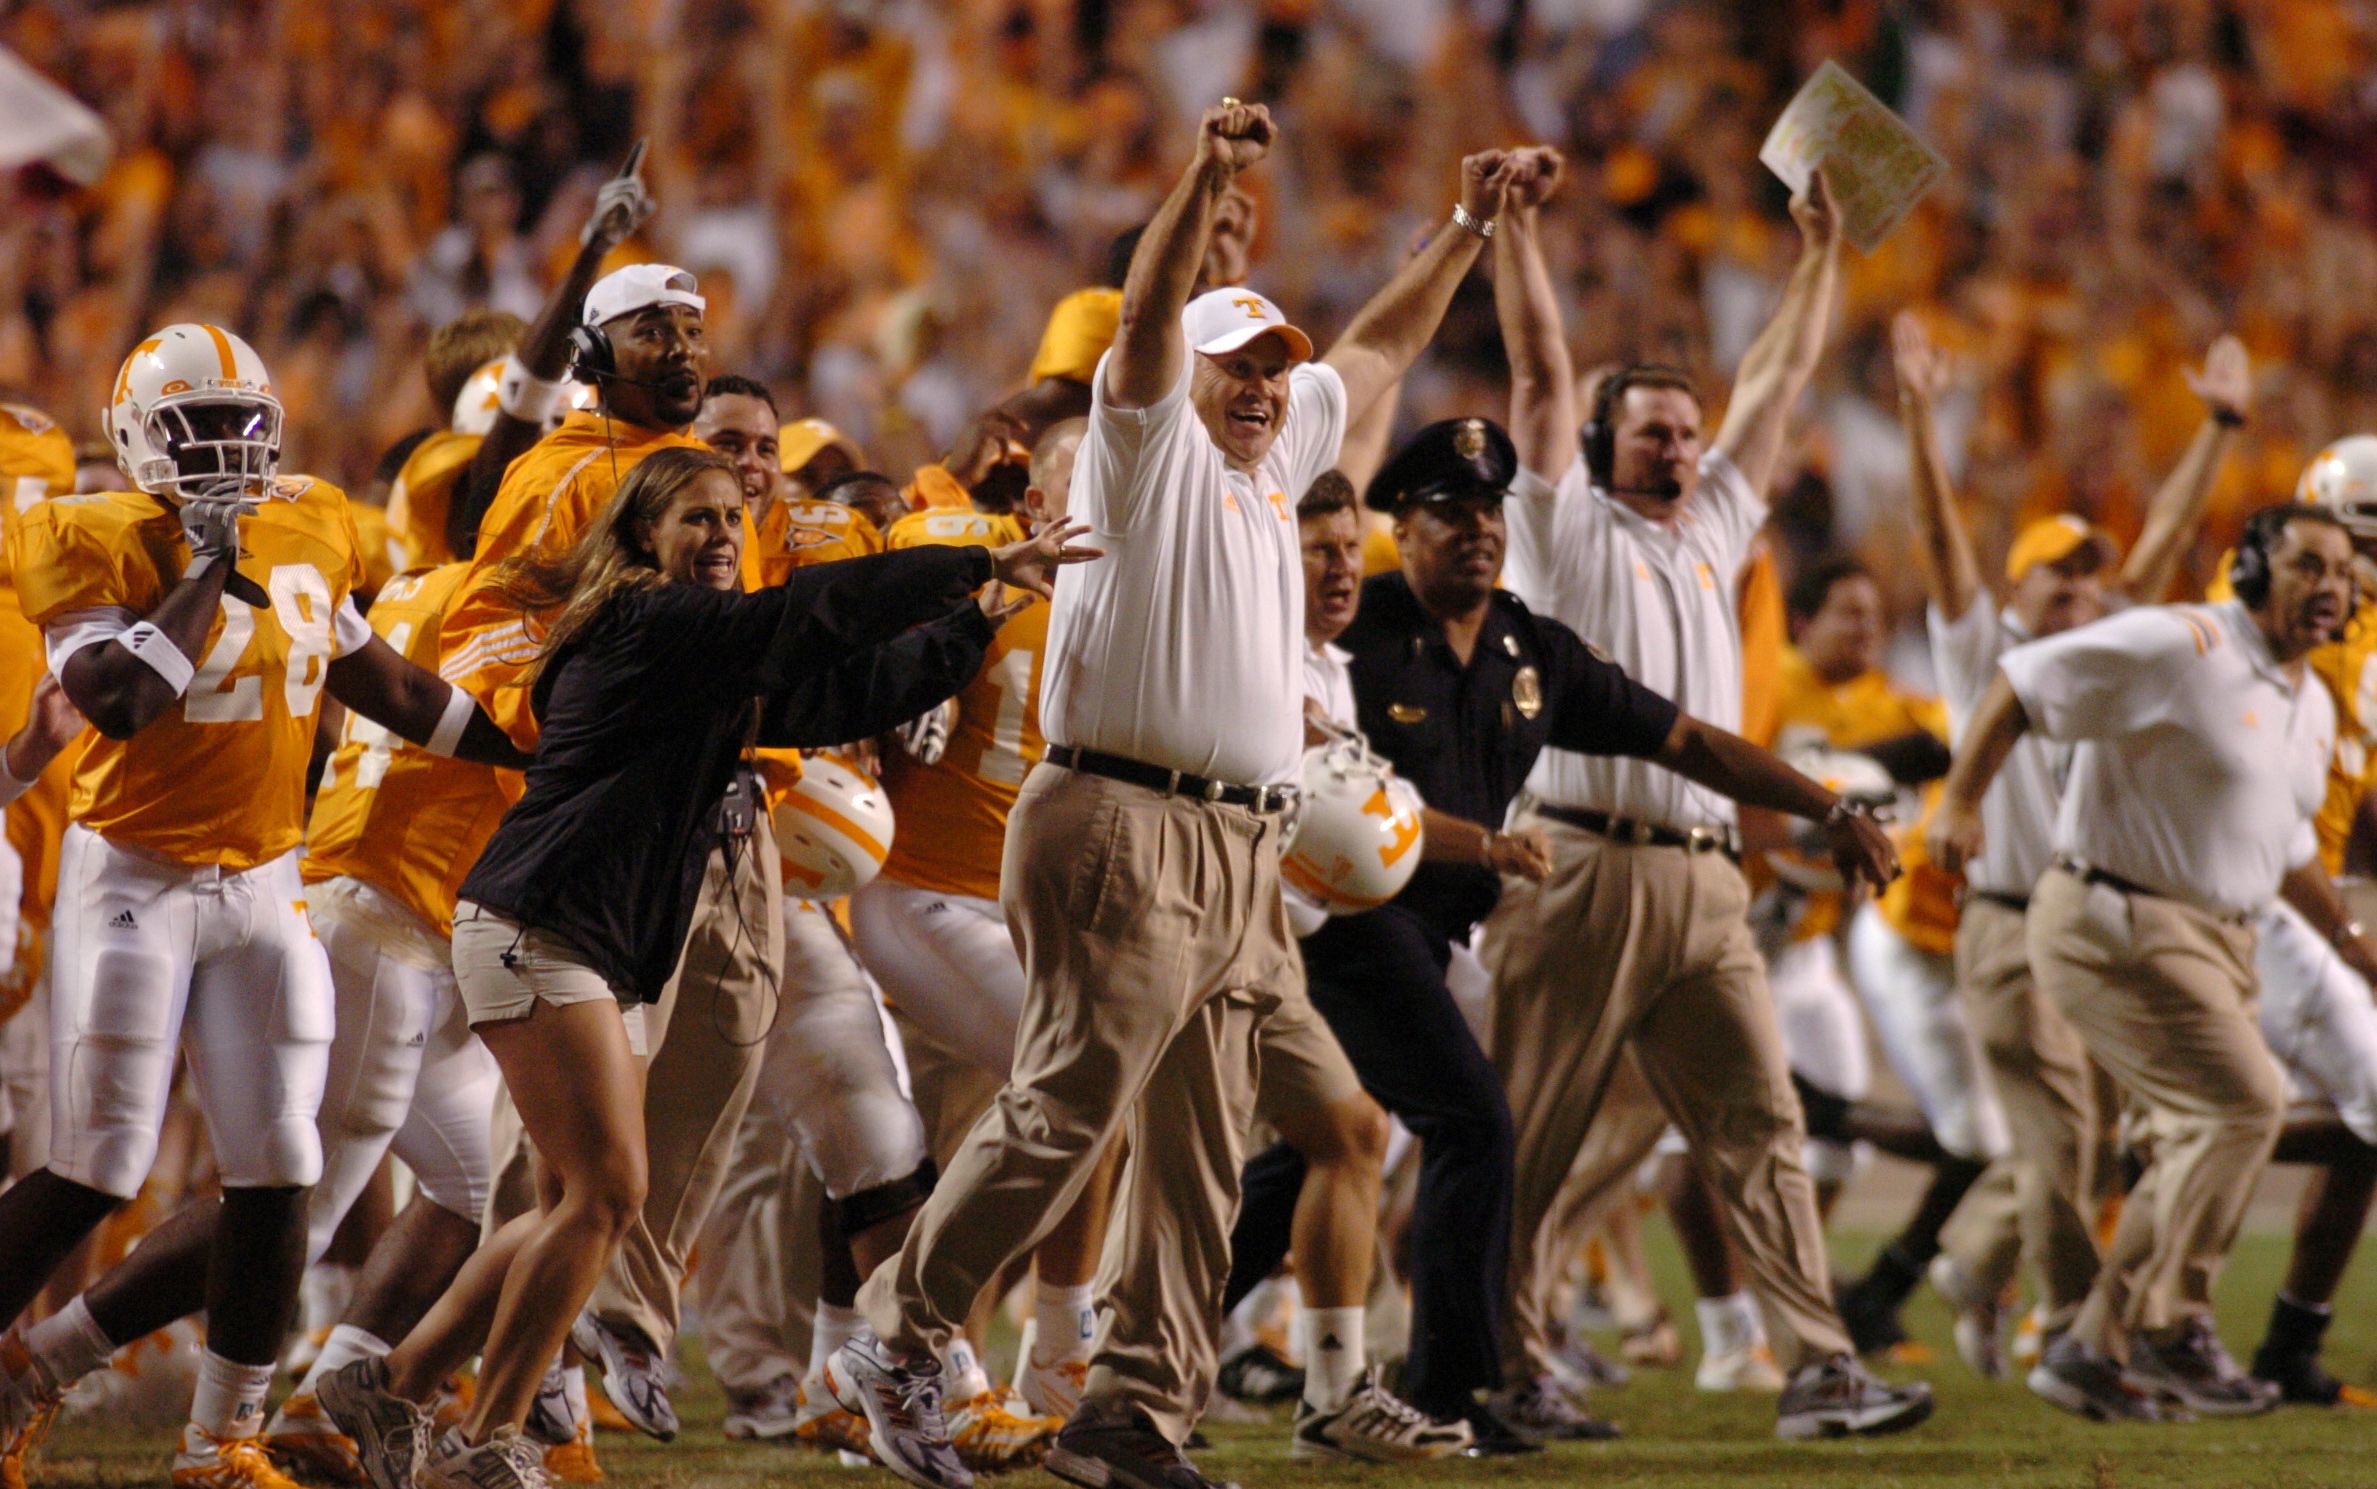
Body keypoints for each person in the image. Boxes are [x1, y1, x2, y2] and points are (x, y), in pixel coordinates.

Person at [831, 102, 1524, 1489]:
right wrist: (1207, 173)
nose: (1263, 383)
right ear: (1178, 373)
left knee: (1204, 1146)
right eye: (1237, 364)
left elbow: (1381, 341)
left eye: (1274, 362)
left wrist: (1464, 231)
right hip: (1121, 819)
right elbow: (1149, 314)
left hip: (1241, 843)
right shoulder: (1141, 441)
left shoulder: (1275, 457)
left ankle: (1130, 1416)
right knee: (1065, 1112)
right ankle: (896, 1331)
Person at [316, 446, 1089, 1489]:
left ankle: (394, 1390)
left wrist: (979, 624)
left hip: (569, 933)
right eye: (698, 520)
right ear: (644, 538)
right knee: (607, 1194)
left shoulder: (697, 647)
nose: (725, 536)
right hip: (542, 927)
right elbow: (814, 612)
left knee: (563, 1205)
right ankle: (488, 1440)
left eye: (733, 519)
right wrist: (982, 560)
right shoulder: (648, 619)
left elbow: (837, 698)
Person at [0, 324, 525, 1489]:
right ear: (138, 438)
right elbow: (125, 699)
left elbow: (378, 679)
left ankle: (219, 1440)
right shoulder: (89, 534)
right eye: (197, 432)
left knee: (280, 1168)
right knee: (99, 1160)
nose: (226, 454)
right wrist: (206, 567)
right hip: (134, 872)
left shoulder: (310, 518)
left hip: (268, 875)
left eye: (243, 427)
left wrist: (533, 746)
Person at [1488, 149, 1931, 1438]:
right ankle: (1505, 1363)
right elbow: (1535, 372)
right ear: (1604, 446)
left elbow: (1783, 380)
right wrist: (1514, 231)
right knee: (1532, 1137)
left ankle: (1818, 1365)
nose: (1682, 446)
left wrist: (1817, 257)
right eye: (1654, 431)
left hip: (1701, 873)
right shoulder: (1563, 529)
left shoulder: (1711, 530)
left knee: (1760, 1121)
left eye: (1688, 430)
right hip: (1577, 860)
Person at [439, 261, 778, 1443]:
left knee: (687, 1119)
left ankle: (497, 1374)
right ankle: (507, 1403)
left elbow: (754, 648)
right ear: (595, 349)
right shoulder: (559, 474)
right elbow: (478, 628)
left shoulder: (708, 484)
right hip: (599, 841)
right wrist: (562, 739)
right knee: (565, 1166)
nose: (682, 347)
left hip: (719, 826)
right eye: (650, 329)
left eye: (692, 325)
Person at [1932, 502, 2363, 1420]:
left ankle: (2091, 1346)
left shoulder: (2312, 698)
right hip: (2115, 913)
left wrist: (2353, 946)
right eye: (2306, 565)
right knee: (2242, 1100)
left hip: (2219, 936)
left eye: (2341, 571)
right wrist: (1959, 801)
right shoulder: (2183, 643)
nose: (2329, 587)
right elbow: (2019, 678)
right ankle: (2172, 1325)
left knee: (2187, 1140)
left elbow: (2287, 849)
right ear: (2249, 567)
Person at [1891, 310, 2243, 1379]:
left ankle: (1972, 1263)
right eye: (2058, 575)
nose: (2083, 590)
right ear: (2015, 591)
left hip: (2086, 920)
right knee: (2057, 1133)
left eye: (2090, 577)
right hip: (2000, 921)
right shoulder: (1977, 646)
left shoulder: (2103, 656)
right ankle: (2065, 1322)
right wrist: (1918, 413)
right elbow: (1938, 533)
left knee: (2091, 1134)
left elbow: (2170, 535)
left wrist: (2221, 425)